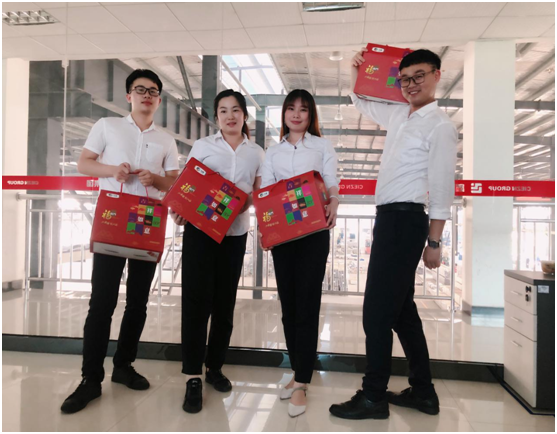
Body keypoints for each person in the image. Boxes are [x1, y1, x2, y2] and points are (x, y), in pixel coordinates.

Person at [329, 48, 457, 420]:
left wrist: (434, 242)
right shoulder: (401, 114)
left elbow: (442, 188)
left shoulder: (440, 126)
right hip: (389, 220)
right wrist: (356, 70)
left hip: (406, 221)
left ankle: (373, 397)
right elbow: (361, 101)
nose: (411, 84)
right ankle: (423, 392)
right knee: (402, 313)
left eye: (419, 76)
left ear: (436, 75)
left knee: (376, 313)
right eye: (405, 79)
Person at [61, 69, 179, 414]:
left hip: (147, 223)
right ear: (129, 96)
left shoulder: (166, 140)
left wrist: (155, 178)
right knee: (102, 302)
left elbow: (174, 183)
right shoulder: (107, 126)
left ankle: (124, 366)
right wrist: (112, 170)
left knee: (138, 303)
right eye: (140, 90)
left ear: (159, 100)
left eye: (153, 91)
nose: (147, 96)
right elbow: (84, 164)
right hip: (113, 220)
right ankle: (90, 379)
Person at [170, 89, 265, 414]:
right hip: (199, 233)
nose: (230, 116)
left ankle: (214, 367)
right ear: (216, 117)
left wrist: (240, 203)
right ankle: (192, 376)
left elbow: (258, 193)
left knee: (224, 305)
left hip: (234, 234)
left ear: (244, 115)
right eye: (223, 110)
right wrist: (179, 210)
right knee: (196, 304)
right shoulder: (203, 146)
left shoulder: (256, 153)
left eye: (235, 110)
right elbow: (187, 184)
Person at [259, 89, 339, 418]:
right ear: (284, 114)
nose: (296, 114)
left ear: (311, 115)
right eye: (291, 108)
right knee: (288, 307)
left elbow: (330, 181)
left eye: (303, 109)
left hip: (313, 233)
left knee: (307, 305)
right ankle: (297, 371)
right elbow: (267, 190)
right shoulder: (273, 152)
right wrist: (266, 227)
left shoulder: (321, 147)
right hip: (283, 235)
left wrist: (335, 202)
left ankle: (303, 382)